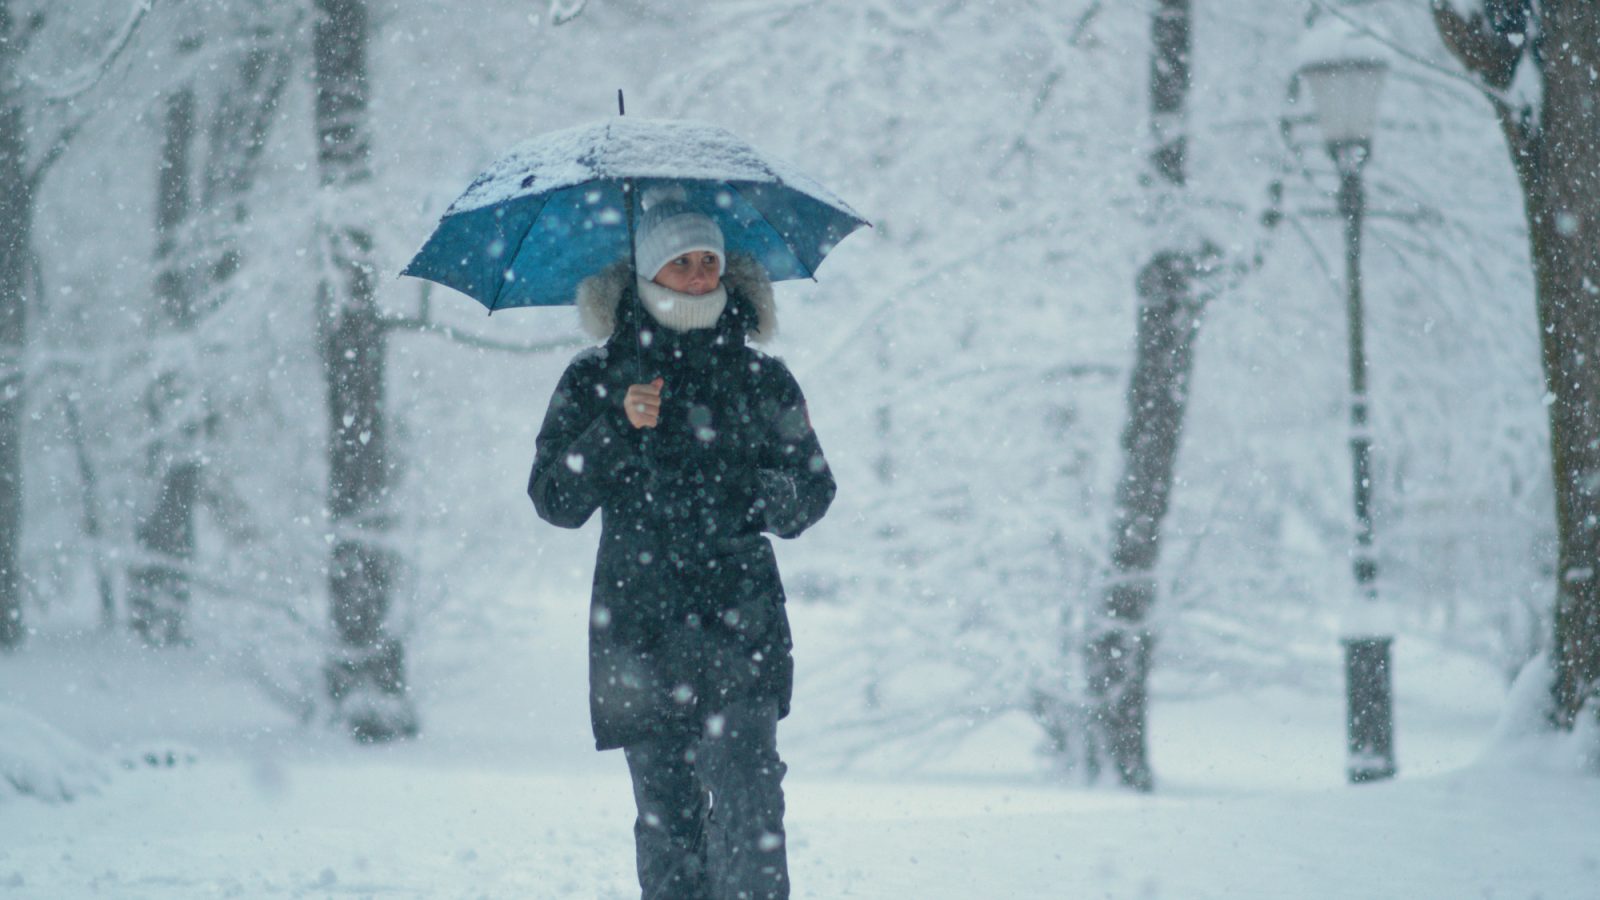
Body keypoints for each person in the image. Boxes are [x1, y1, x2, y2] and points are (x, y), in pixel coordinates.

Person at [528, 185, 835, 900]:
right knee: (667, 824)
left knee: (752, 809)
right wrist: (614, 429)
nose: (700, 275)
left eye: (709, 260)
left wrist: (743, 488)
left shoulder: (762, 380)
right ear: (646, 272)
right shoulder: (597, 377)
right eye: (682, 262)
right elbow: (555, 499)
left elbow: (811, 493)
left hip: (741, 625)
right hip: (639, 629)